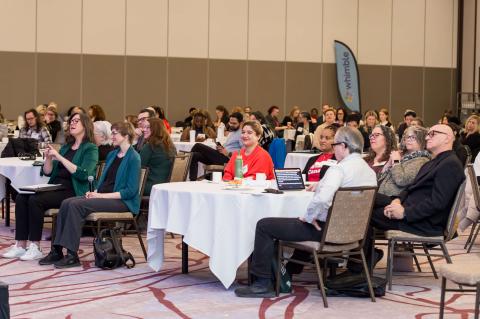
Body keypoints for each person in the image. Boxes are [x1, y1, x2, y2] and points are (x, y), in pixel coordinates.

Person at [234, 127, 377, 298]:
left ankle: (262, 283)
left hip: (324, 232)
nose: (333, 148)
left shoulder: (339, 169)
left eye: (335, 144)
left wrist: (309, 217)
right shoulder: (368, 171)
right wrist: (322, 184)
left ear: (344, 146)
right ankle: (280, 274)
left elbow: (322, 200)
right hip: (352, 235)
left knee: (264, 225)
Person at [353, 124, 465, 274]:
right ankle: (362, 261)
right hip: (409, 211)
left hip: (422, 223)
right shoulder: (435, 161)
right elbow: (410, 188)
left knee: (364, 212)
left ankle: (358, 268)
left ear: (447, 138)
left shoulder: (450, 164)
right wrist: (397, 201)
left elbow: (438, 203)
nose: (426, 137)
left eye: (432, 134)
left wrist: (405, 213)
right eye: (428, 133)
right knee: (365, 199)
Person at [39, 122, 141, 268]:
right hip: (105, 196)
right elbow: (105, 180)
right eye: (111, 132)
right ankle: (56, 250)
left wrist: (102, 196)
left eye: (114, 133)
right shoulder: (113, 154)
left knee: (76, 205)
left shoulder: (133, 158)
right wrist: (95, 192)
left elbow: (130, 191)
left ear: (125, 136)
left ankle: (72, 255)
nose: (111, 136)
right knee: (67, 202)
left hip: (123, 201)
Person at [1, 113, 98, 260]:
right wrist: (48, 159)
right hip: (57, 186)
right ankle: (20, 245)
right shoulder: (67, 147)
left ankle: (35, 246)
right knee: (21, 196)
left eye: (76, 121)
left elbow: (84, 174)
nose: (72, 123)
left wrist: (59, 157)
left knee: (35, 200)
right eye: (71, 121)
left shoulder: (90, 148)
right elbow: (48, 172)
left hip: (73, 190)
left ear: (85, 125)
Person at [376, 126, 430, 205]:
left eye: (412, 137)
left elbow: (402, 180)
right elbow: (378, 180)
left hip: (395, 200)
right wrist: (388, 164)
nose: (408, 139)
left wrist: (396, 161)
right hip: (384, 195)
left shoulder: (422, 160)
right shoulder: (404, 157)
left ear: (422, 140)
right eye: (407, 137)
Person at [189, 112, 243, 180]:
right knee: (194, 155)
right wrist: (221, 148)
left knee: (197, 146)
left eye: (234, 123)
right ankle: (192, 180)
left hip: (228, 160)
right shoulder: (232, 132)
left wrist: (229, 153)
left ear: (241, 123)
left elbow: (244, 153)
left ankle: (184, 166)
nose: (231, 125)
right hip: (221, 156)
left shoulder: (242, 134)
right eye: (230, 123)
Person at [140, 118, 176, 195]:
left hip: (150, 187)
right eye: (144, 127)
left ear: (156, 129)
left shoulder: (150, 146)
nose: (144, 130)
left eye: (148, 127)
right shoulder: (171, 146)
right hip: (166, 185)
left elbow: (138, 167)